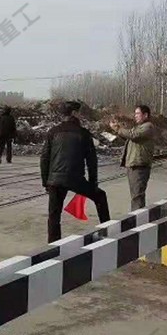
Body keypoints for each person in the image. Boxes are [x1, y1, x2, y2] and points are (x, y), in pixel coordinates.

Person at [40, 101, 110, 243]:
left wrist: (46, 182)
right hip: (75, 179)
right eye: (78, 112)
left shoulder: (53, 132)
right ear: (73, 113)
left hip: (55, 180)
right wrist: (93, 183)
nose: (80, 114)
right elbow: (92, 161)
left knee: (54, 215)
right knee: (100, 197)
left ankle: (53, 245)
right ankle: (107, 231)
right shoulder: (83, 133)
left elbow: (44, 158)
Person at [110, 104, 155, 211]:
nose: (135, 116)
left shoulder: (148, 127)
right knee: (136, 195)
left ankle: (137, 218)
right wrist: (119, 130)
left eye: (138, 113)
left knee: (137, 196)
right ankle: (137, 216)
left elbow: (133, 135)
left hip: (140, 166)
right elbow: (130, 136)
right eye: (135, 113)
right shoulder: (139, 127)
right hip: (134, 165)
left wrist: (118, 128)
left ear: (145, 115)